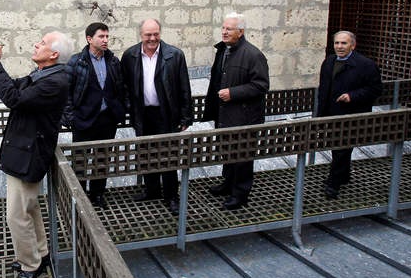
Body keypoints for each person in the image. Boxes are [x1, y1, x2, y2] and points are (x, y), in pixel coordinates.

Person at [0, 30, 72, 278]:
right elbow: (13, 87)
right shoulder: (43, 74)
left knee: (16, 215)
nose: (36, 44)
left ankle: (29, 265)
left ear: (53, 54)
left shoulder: (54, 82)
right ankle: (40, 254)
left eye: (42, 43)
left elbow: (14, 99)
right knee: (29, 208)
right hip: (25, 151)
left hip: (29, 154)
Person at [121, 18, 192, 215]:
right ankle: (152, 190)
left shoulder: (175, 55)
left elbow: (184, 87)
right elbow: (124, 85)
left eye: (156, 34)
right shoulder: (130, 55)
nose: (152, 38)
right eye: (148, 35)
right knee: (146, 154)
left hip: (166, 113)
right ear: (140, 35)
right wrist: (129, 107)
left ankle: (171, 196)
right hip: (143, 113)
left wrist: (186, 117)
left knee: (168, 155)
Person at [202, 12, 269, 210]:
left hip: (245, 117)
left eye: (229, 29)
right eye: (223, 28)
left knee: (242, 157)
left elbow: (261, 85)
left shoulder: (253, 54)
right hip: (225, 113)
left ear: (240, 32)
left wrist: (233, 93)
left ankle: (240, 194)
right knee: (228, 152)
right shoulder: (223, 50)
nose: (224, 32)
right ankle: (228, 184)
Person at [63, 22, 127, 209]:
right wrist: (71, 118)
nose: (105, 40)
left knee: (103, 159)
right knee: (80, 161)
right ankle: (80, 199)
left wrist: (120, 109)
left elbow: (121, 87)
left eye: (107, 36)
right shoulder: (76, 62)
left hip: (107, 119)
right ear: (89, 39)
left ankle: (98, 195)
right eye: (101, 36)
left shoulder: (113, 61)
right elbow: (66, 92)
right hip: (83, 120)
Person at [317, 31, 382, 199]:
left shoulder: (366, 65)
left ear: (353, 45)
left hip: (352, 114)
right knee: (338, 147)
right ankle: (343, 176)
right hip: (332, 112)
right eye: (337, 43)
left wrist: (352, 96)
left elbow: (375, 89)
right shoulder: (329, 61)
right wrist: (320, 113)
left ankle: (333, 184)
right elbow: (324, 88)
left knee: (342, 148)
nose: (339, 46)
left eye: (344, 43)